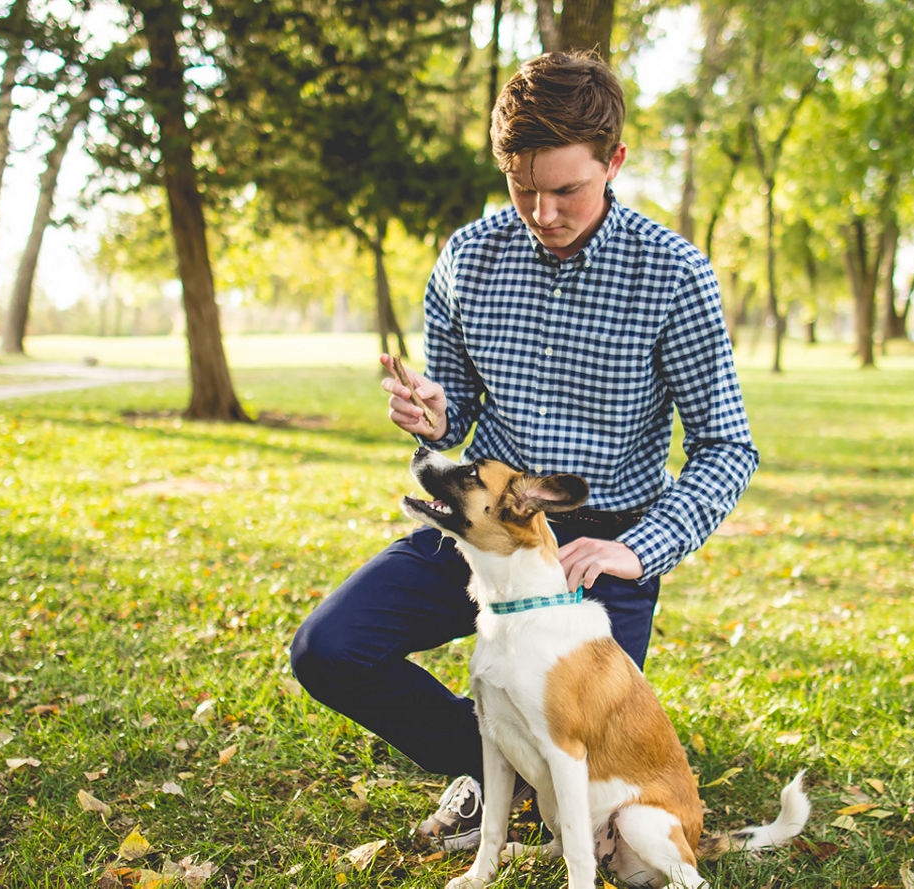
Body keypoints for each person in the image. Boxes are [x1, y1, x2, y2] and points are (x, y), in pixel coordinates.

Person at [290, 50, 758, 851]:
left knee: (570, 811)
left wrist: (635, 548)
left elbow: (725, 447)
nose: (541, 212)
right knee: (329, 648)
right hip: (484, 528)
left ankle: (528, 769)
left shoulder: (674, 274)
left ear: (614, 161)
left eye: (565, 189)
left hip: (596, 549)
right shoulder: (468, 259)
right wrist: (433, 416)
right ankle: (482, 758)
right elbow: (458, 413)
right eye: (522, 188)